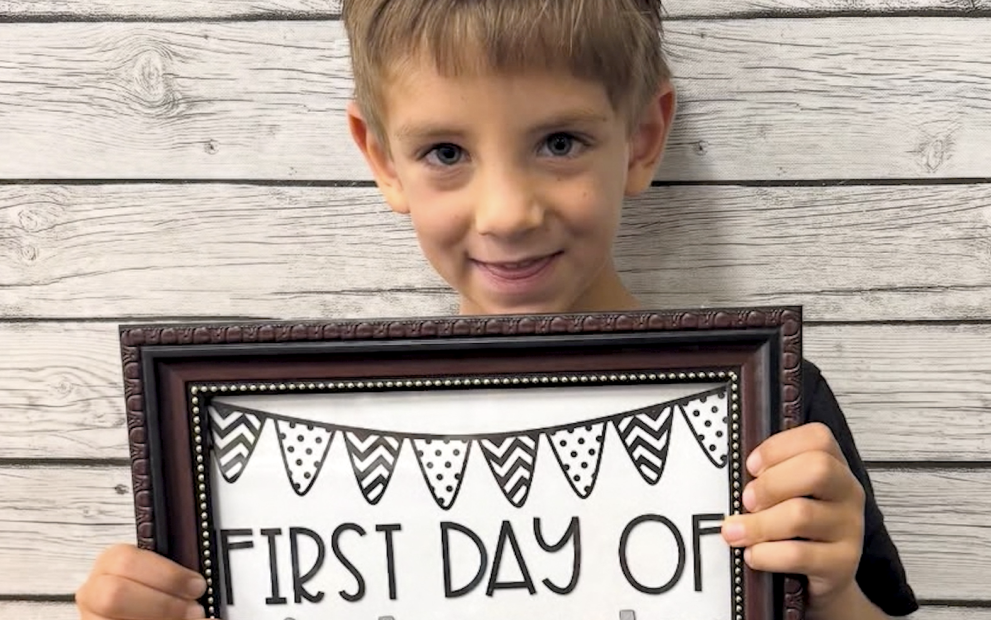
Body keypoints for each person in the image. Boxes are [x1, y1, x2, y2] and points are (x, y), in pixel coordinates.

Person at [75, 0, 918, 618]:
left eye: (559, 143)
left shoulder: (773, 416)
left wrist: (833, 589)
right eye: (446, 151)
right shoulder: (255, 452)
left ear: (642, 139)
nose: (508, 212)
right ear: (383, 159)